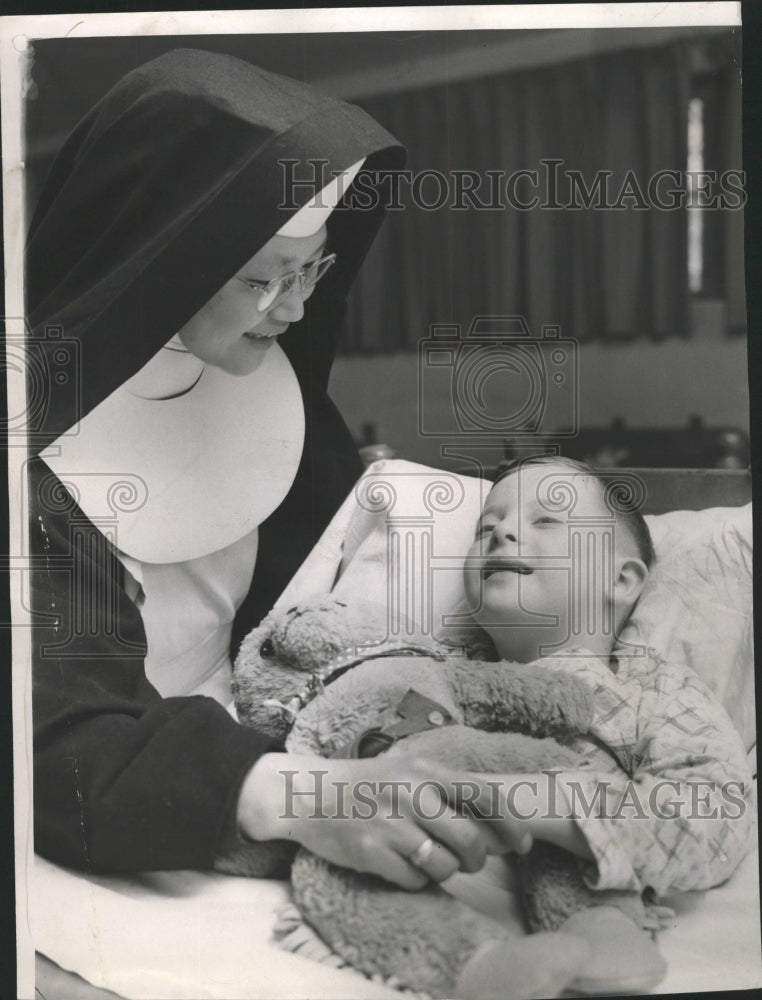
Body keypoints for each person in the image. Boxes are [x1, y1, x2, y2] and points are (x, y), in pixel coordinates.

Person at [27, 48, 504, 883]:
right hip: (132, 818)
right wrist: (305, 797)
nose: (295, 307)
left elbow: (338, 616)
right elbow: (56, 740)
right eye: (263, 277)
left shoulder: (284, 408)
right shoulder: (41, 464)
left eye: (312, 269)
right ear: (165, 261)